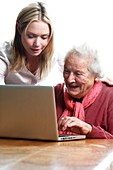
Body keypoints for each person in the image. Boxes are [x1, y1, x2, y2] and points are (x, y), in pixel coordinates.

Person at [54, 44, 113, 139]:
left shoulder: (110, 96)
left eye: (78, 74)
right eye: (67, 72)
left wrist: (89, 130)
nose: (70, 79)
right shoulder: (55, 93)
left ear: (95, 75)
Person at [0, 2, 63, 85]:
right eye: (31, 36)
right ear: (19, 28)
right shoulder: (5, 54)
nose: (37, 44)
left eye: (44, 37)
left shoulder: (57, 57)